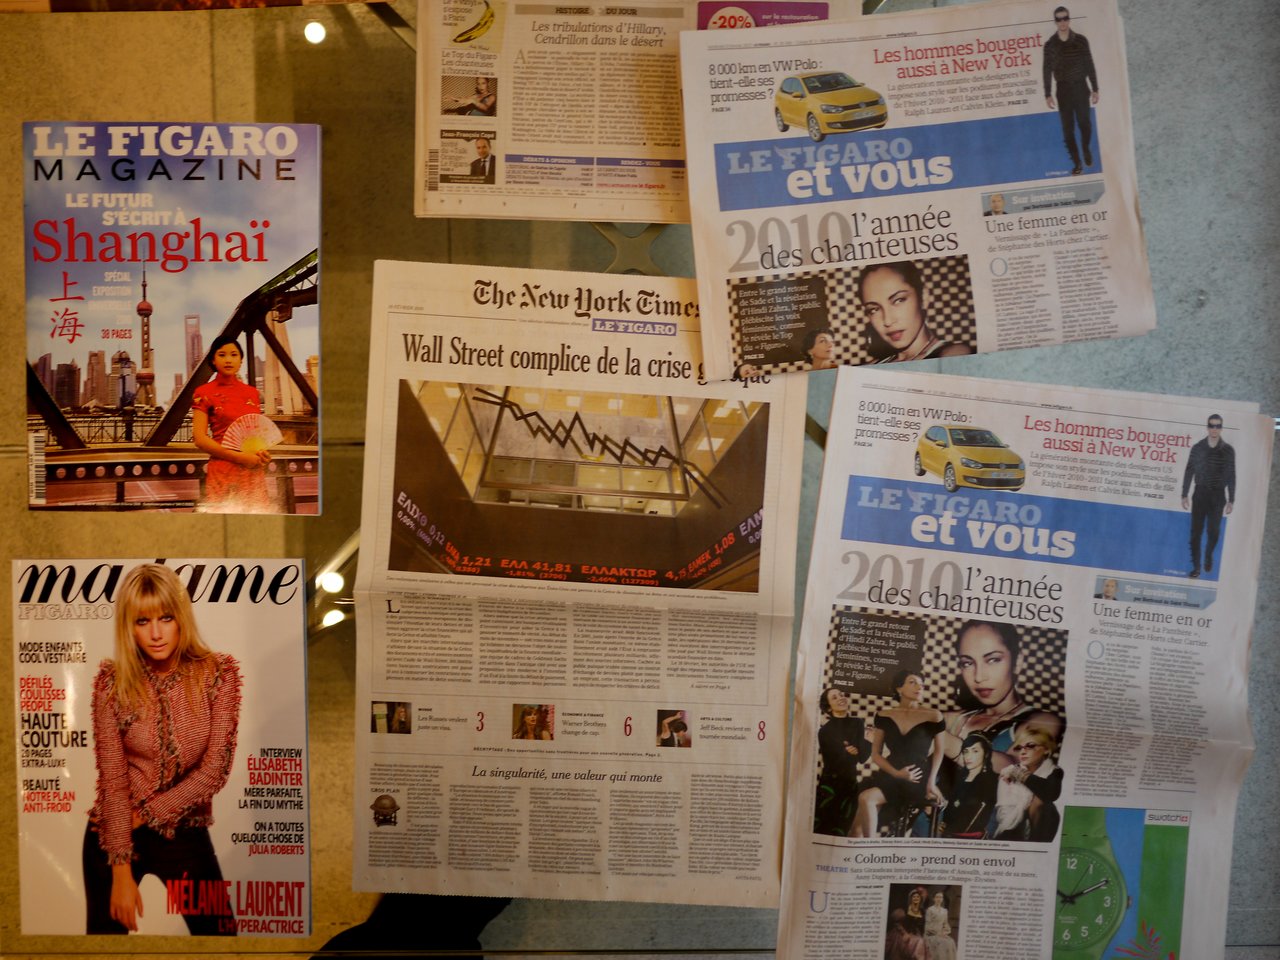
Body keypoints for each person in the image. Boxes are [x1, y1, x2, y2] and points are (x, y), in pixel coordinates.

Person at [84, 563, 241, 935]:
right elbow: (113, 780)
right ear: (129, 626)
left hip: (185, 832)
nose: (155, 634)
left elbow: (214, 771)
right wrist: (119, 867)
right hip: (117, 835)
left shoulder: (219, 674)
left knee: (221, 939)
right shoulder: (112, 683)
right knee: (101, 948)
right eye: (142, 622)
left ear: (181, 617)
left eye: (165, 618)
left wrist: (147, 813)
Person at [941, 620, 1062, 771]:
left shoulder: (1043, 721)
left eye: (993, 660)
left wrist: (941, 739)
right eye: (967, 663)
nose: (979, 677)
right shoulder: (956, 720)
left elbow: (1014, 768)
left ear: (1017, 662)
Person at [852, 671, 944, 837]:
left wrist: (931, 782)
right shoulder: (883, 715)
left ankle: (867, 848)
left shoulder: (934, 716)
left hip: (917, 777)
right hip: (890, 774)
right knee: (859, 819)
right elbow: (876, 755)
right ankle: (866, 849)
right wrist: (897, 773)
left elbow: (939, 752)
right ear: (899, 688)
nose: (919, 687)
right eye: (912, 682)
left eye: (921, 684)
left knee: (866, 800)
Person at [191, 334, 273, 513]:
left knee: (254, 526)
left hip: (252, 471)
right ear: (213, 360)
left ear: (241, 360)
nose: (228, 360)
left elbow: (253, 435)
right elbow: (199, 439)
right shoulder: (203, 392)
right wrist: (240, 457)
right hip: (223, 471)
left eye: (234, 355)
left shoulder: (252, 393)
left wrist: (262, 454)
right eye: (222, 354)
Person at [858, 261, 974, 363]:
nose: (888, 321)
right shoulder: (874, 365)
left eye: (899, 300)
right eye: (874, 309)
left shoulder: (953, 354)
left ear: (923, 298)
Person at [1043, 6, 1099, 175]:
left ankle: (1086, 149)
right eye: (1059, 19)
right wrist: (1047, 93)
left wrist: (1095, 88)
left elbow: (1089, 64)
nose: (1062, 22)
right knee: (1068, 129)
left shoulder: (1081, 40)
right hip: (1063, 90)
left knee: (1085, 124)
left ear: (1069, 19)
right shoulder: (1050, 45)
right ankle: (1077, 163)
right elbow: (1046, 70)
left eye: (1065, 18)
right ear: (1055, 22)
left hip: (1081, 87)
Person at [1181, 413, 1235, 578]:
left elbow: (1232, 475)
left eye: (1218, 426)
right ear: (1207, 427)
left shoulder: (1228, 450)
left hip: (1218, 496)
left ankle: (1208, 555)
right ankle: (1197, 567)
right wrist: (1184, 494)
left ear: (1221, 428)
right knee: (1196, 532)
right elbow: (1189, 470)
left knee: (1214, 531)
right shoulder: (1198, 448)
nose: (1214, 429)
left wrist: (1231, 499)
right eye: (1212, 425)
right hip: (1200, 493)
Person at [992, 720, 1064, 841]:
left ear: (1046, 749)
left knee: (1039, 801)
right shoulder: (1007, 773)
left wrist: (1019, 774)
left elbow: (1051, 793)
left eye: (1030, 746)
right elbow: (1003, 815)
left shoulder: (1054, 771)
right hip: (1011, 829)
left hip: (1042, 829)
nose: (1023, 752)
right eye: (1020, 748)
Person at [813, 686, 867, 836]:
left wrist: (868, 741)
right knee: (822, 829)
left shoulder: (857, 723)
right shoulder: (824, 731)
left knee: (841, 830)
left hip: (850, 785)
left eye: (841, 694)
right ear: (828, 708)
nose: (841, 698)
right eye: (834, 697)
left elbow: (862, 758)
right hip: (829, 787)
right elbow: (832, 764)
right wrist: (848, 752)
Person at [940, 732, 997, 839]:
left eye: (975, 751)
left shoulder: (993, 781)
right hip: (947, 838)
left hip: (974, 842)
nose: (968, 756)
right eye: (965, 752)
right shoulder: (957, 778)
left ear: (986, 754)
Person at [924, 891, 956, 960]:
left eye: (940, 897)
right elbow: (927, 925)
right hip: (931, 934)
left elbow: (945, 924)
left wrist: (945, 932)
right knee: (942, 942)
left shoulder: (944, 911)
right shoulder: (930, 910)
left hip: (941, 934)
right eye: (937, 897)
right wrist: (937, 933)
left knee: (951, 941)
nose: (939, 899)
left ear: (942, 899)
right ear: (934, 899)